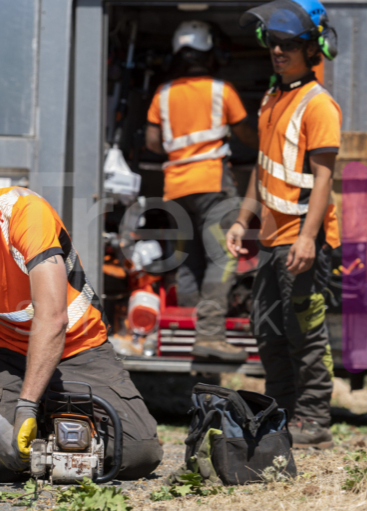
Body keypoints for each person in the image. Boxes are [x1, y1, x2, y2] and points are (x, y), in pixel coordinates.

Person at [0, 134, 162, 481]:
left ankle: (48, 414)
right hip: (10, 355)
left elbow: (52, 318)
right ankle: (50, 420)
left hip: (81, 348)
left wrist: (26, 405)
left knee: (140, 454)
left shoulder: (26, 213)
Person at [228, 0, 341, 448]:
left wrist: (309, 238)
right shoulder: (273, 98)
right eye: (273, 43)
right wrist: (243, 219)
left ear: (311, 49)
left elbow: (324, 179)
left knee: (305, 333)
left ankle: (314, 420)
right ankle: (283, 413)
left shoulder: (319, 105)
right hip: (274, 240)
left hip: (301, 240)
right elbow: (262, 166)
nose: (278, 51)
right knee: (268, 330)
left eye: (289, 45)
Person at [145, 20, 258, 363]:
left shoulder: (162, 94)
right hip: (212, 183)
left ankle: (192, 334)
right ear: (211, 54)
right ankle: (209, 334)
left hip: (176, 188)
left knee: (189, 262)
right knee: (221, 258)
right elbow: (246, 136)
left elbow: (152, 142)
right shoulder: (222, 91)